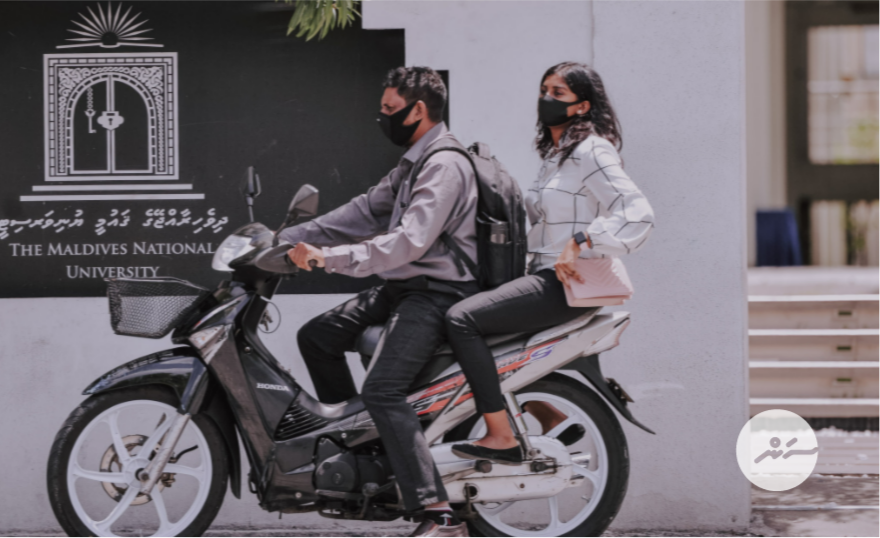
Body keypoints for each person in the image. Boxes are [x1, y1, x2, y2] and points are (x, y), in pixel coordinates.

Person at [279, 66, 476, 538]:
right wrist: (281, 239)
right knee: (318, 337)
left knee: (383, 389)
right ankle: (360, 448)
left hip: (437, 294)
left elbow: (409, 242)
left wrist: (329, 258)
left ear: (418, 110)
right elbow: (363, 212)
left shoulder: (444, 166)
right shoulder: (414, 163)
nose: (382, 117)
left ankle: (439, 515)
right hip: (404, 287)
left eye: (390, 109)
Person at [446, 62, 655, 465]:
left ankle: (501, 435)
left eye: (558, 93)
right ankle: (548, 414)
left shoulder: (592, 150)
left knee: (462, 320)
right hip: (541, 275)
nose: (546, 99)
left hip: (565, 284)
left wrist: (583, 240)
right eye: (544, 90)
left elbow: (637, 212)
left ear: (582, 106)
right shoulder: (557, 156)